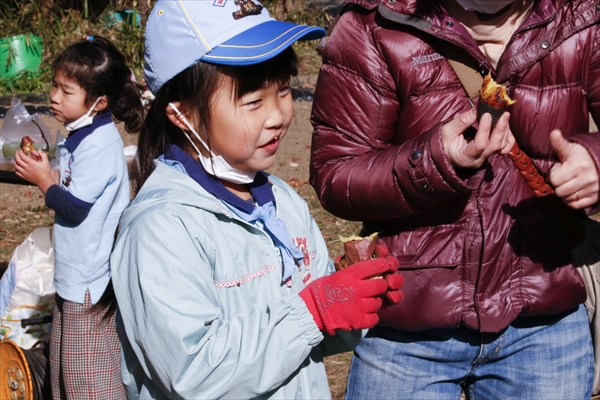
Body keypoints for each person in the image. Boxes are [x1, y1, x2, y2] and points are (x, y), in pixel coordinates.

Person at [108, 1, 404, 399]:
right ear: (183, 115)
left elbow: (308, 339)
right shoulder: (161, 228)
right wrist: (314, 311)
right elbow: (192, 373)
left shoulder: (281, 201)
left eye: (282, 91)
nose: (279, 115)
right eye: (253, 101)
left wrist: (352, 297)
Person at [310, 0, 600, 398]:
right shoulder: (372, 25)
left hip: (545, 317)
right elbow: (335, 173)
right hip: (406, 327)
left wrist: (597, 162)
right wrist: (435, 161)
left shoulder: (583, 16)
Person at [13, 36, 144, 399]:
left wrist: (43, 181)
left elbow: (73, 206)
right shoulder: (80, 136)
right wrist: (49, 171)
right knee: (63, 368)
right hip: (74, 273)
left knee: (88, 376)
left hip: (91, 282)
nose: (54, 97)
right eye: (55, 85)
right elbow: (71, 187)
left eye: (66, 91)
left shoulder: (100, 145)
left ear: (98, 102)